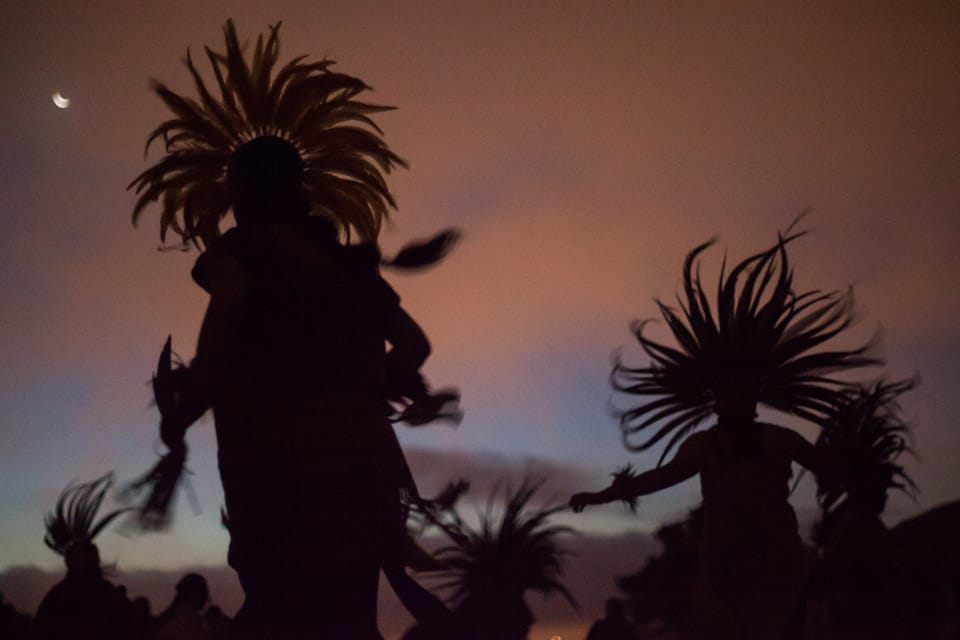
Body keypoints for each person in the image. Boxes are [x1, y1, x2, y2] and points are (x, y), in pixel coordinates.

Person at [127, 20, 458, 639]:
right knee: (348, 618)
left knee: (283, 612)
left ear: (247, 189)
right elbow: (415, 345)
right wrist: (360, 390)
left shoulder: (242, 252)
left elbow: (222, 329)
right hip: (362, 470)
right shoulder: (349, 266)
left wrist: (183, 411)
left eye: (233, 186)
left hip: (278, 469)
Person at [571, 224, 878, 640]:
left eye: (744, 389)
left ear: (754, 394)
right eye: (729, 391)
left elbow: (832, 470)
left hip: (778, 571)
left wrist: (858, 468)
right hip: (723, 575)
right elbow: (658, 479)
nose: (737, 398)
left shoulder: (780, 440)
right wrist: (601, 495)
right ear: (717, 398)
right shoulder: (705, 446)